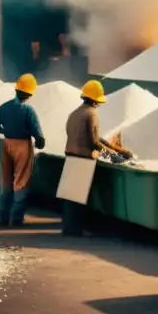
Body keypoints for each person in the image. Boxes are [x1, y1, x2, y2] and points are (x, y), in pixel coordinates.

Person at [61, 79, 133, 237]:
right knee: (86, 196)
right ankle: (87, 229)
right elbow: (93, 142)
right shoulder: (92, 114)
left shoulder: (75, 113)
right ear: (95, 99)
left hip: (70, 156)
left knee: (71, 196)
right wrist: (113, 154)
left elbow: (94, 137)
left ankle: (69, 228)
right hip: (83, 159)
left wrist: (114, 147)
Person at [0, 74, 45, 227]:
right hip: (22, 145)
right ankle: (16, 218)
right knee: (21, 181)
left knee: (6, 181)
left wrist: (7, 132)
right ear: (30, 93)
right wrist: (40, 142)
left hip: (6, 144)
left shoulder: (4, 107)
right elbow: (37, 134)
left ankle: (2, 217)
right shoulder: (28, 110)